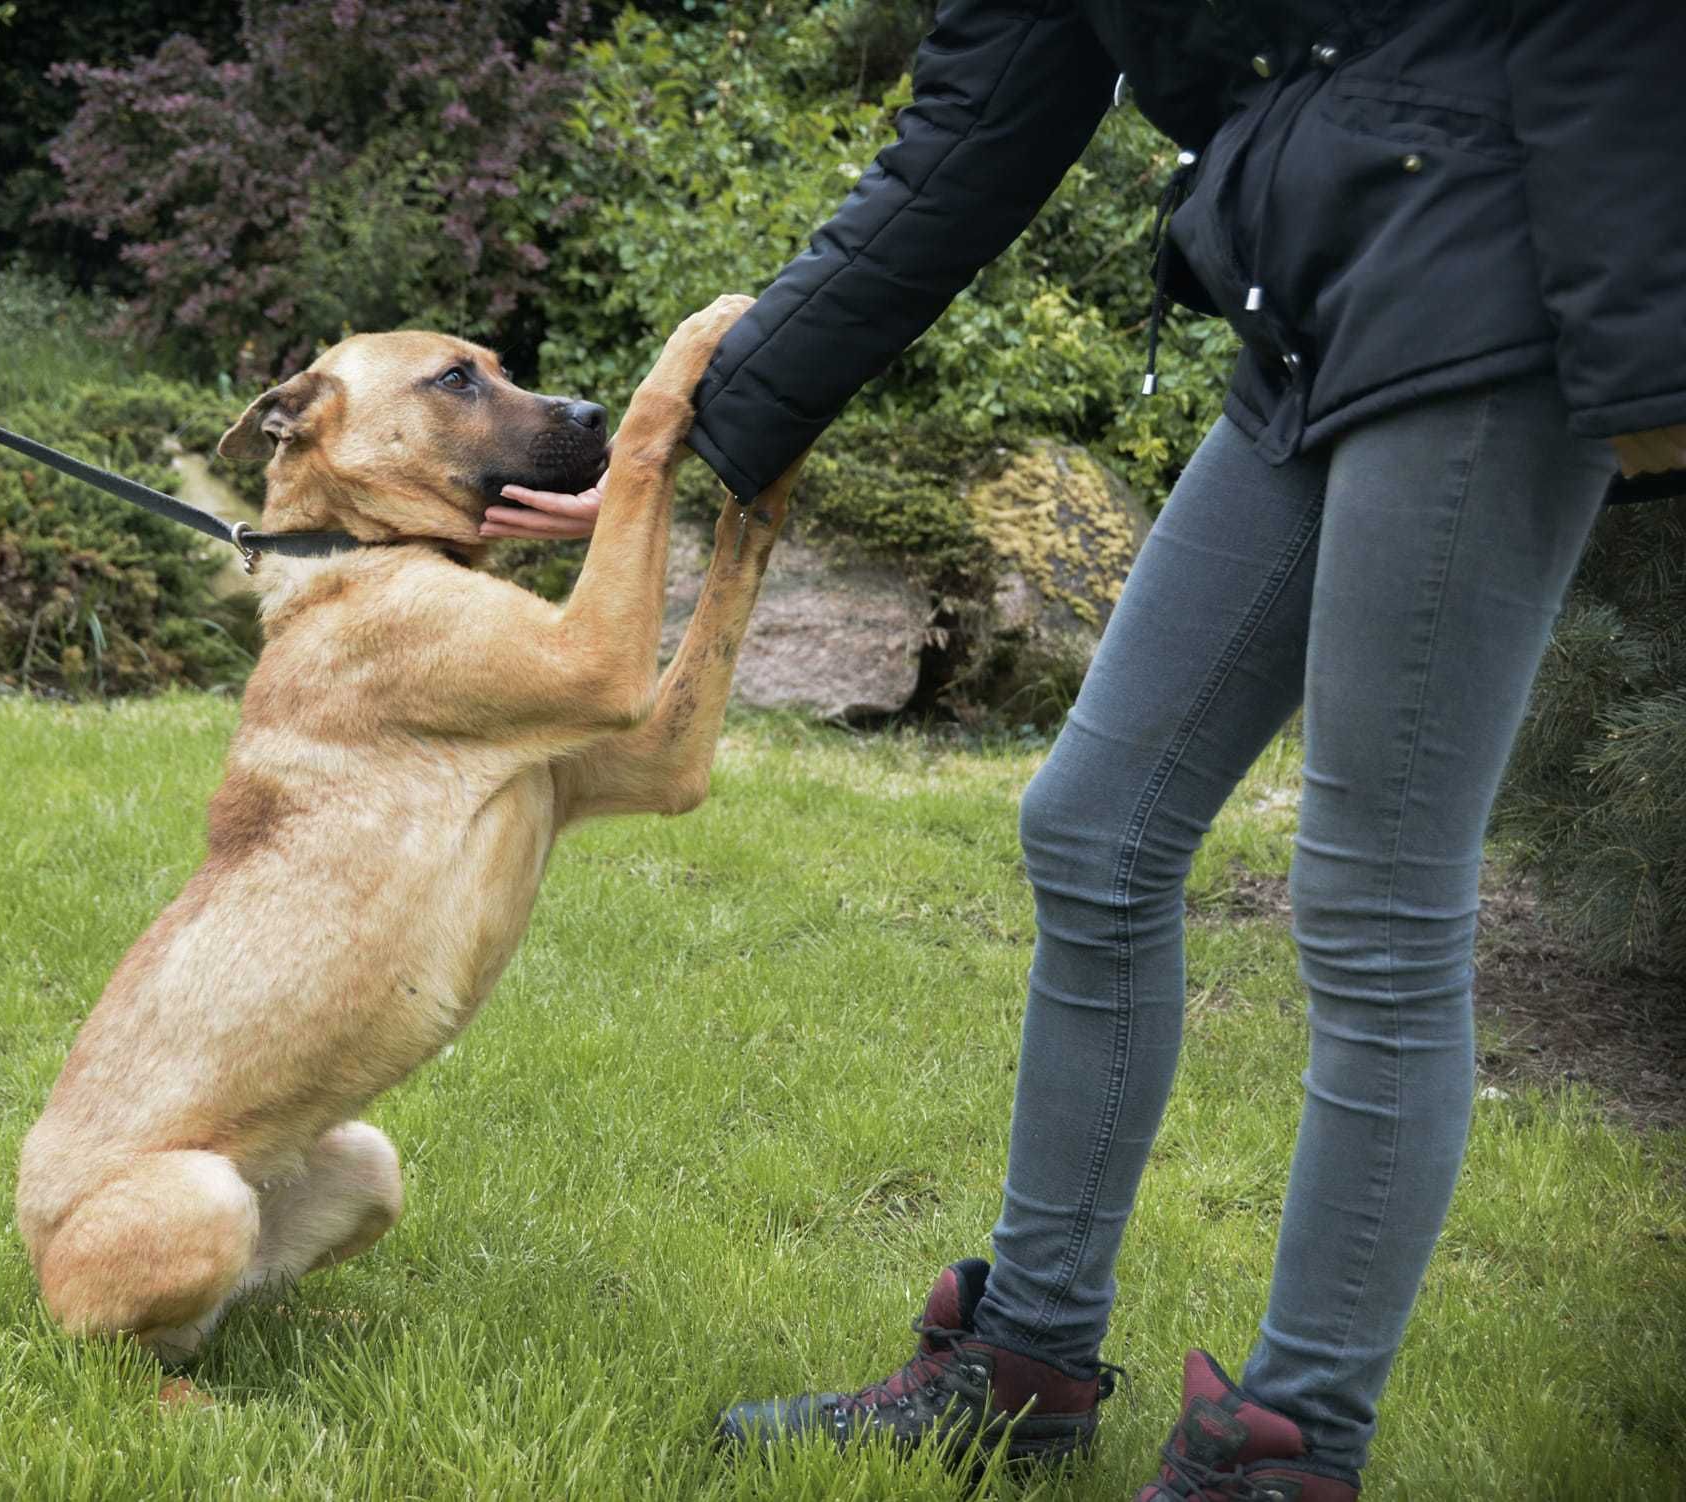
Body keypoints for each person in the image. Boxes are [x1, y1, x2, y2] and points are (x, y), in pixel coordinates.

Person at [484, 2, 1686, 1495]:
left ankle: (1288, 1450)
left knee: (1378, 896)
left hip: (1493, 277)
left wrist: (1651, 358)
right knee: (1096, 822)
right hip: (1312, 297)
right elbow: (965, 154)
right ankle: (1029, 1365)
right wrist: (680, 448)